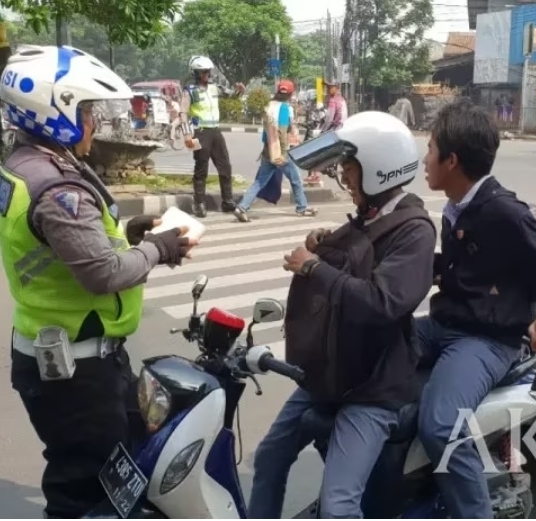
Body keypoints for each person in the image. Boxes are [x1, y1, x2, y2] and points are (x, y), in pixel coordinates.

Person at [0, 45, 197, 519]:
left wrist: (129, 238)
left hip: (64, 353)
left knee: (119, 460)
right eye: (86, 111)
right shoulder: (58, 189)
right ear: (56, 111)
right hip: (75, 370)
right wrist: (160, 248)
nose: (94, 123)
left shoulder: (25, 165)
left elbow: (61, 250)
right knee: (85, 487)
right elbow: (102, 274)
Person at [248, 111, 437, 518]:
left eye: (350, 167)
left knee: (338, 506)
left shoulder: (415, 230)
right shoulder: (370, 217)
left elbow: (383, 300)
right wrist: (323, 244)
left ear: (380, 170)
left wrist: (314, 268)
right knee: (269, 458)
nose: (344, 177)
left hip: (372, 386)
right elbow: (355, 262)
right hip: (330, 373)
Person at [416, 98, 536, 518]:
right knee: (366, 353)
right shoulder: (458, 206)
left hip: (486, 338)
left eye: (430, 149)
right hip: (443, 323)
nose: (424, 159)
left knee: (441, 425)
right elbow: (460, 266)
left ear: (451, 160)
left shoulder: (505, 212)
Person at [233, 79, 316, 221]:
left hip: (267, 149)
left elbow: (266, 133)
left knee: (259, 182)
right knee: (295, 179)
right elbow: (283, 133)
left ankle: (241, 207)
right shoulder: (285, 108)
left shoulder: (268, 105)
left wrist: (267, 148)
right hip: (279, 151)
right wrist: (283, 154)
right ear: (290, 94)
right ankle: (301, 207)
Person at [182, 55, 245, 218]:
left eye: (208, 71)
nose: (207, 75)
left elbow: (233, 96)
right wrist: (187, 134)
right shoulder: (190, 91)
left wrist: (239, 90)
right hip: (200, 133)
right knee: (201, 168)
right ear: (195, 73)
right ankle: (199, 203)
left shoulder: (215, 87)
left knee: (225, 166)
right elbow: (183, 114)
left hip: (216, 132)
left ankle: (227, 200)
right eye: (203, 72)